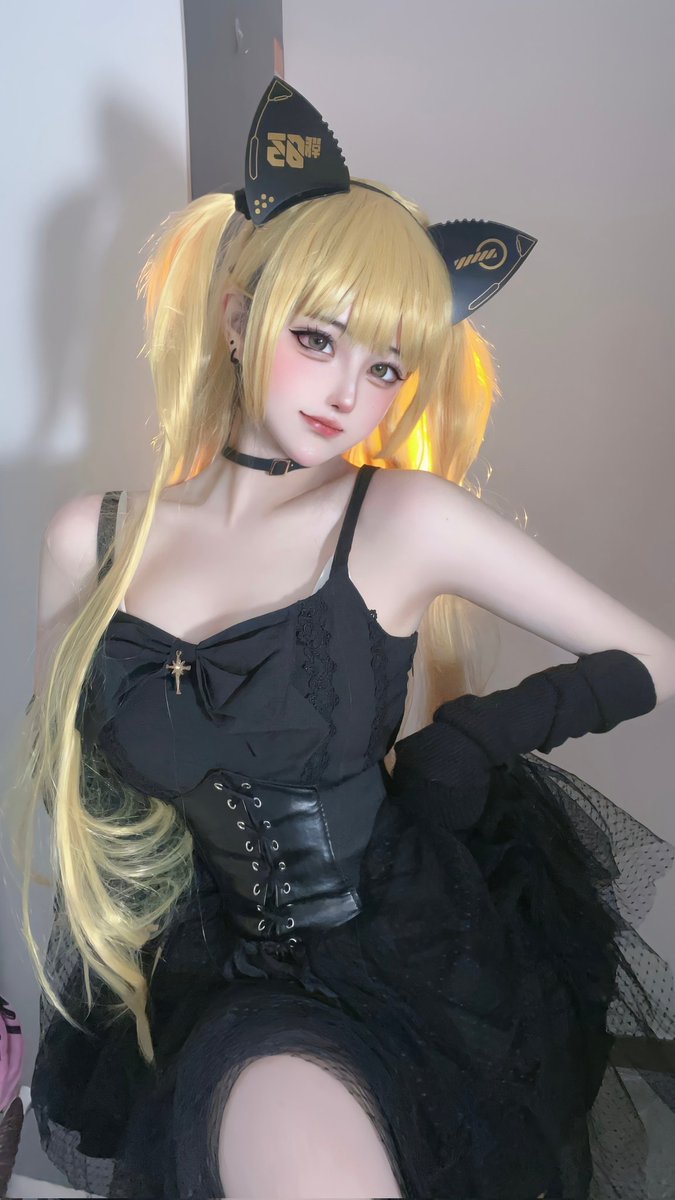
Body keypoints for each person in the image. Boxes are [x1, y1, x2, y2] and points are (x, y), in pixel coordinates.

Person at [13, 76, 675, 1199]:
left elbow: (652, 660)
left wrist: (470, 740)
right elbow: (73, 791)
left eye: (385, 368)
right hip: (199, 964)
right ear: (237, 319)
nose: (346, 393)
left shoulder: (401, 518)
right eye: (317, 340)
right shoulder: (93, 539)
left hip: (389, 953)